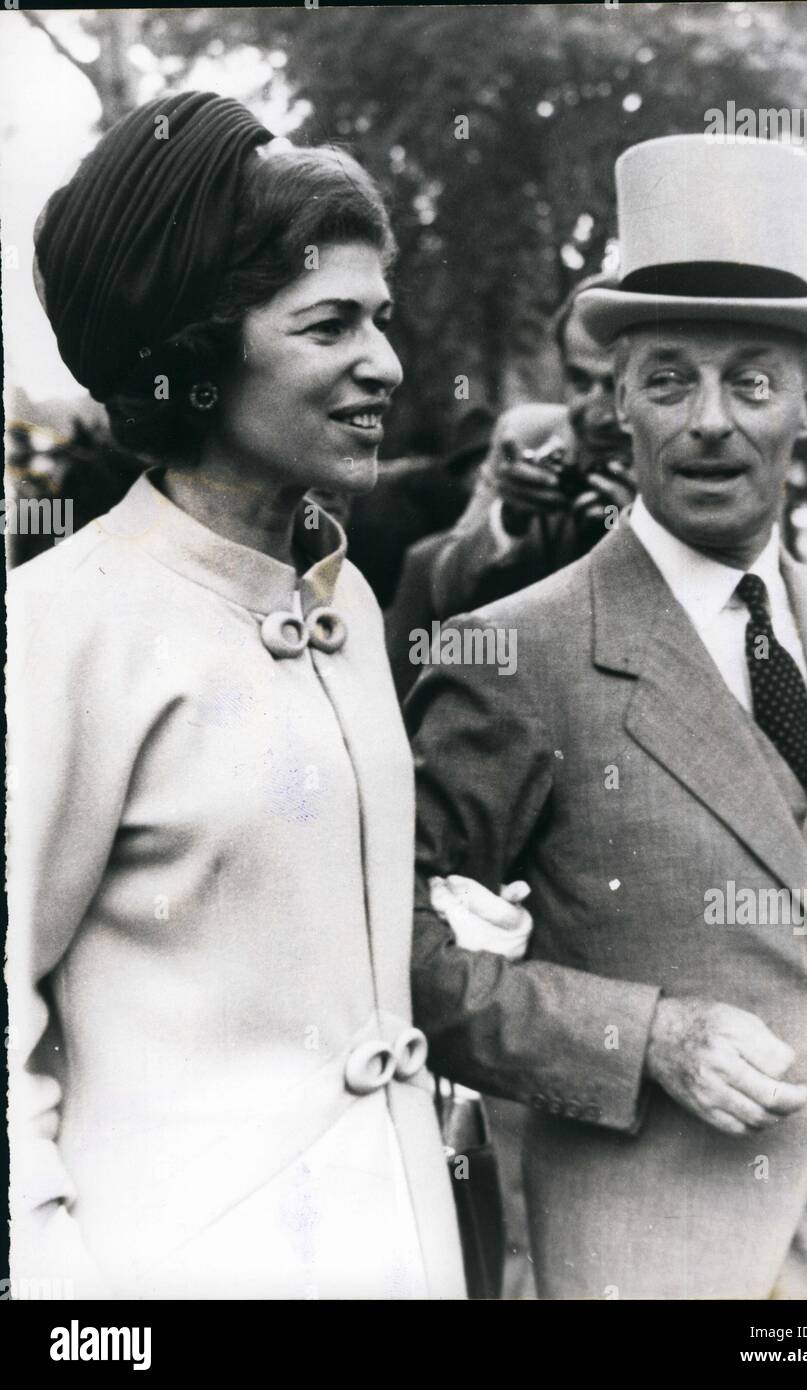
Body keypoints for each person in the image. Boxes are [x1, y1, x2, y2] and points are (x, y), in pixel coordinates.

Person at [6, 91, 523, 1301]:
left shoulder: (338, 607)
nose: (385, 363)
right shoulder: (59, 628)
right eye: (330, 323)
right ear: (196, 352)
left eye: (382, 320)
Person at [408, 135, 807, 1299]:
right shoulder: (519, 650)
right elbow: (393, 953)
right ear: (617, 403)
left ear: (806, 400)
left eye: (749, 378)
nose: (708, 421)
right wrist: (644, 1036)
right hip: (658, 1262)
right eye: (669, 378)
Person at [427, 274, 636, 620]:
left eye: (616, 386)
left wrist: (637, 546)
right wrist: (508, 520)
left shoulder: (682, 459)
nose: (596, 413)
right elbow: (443, 594)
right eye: (579, 381)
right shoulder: (524, 437)